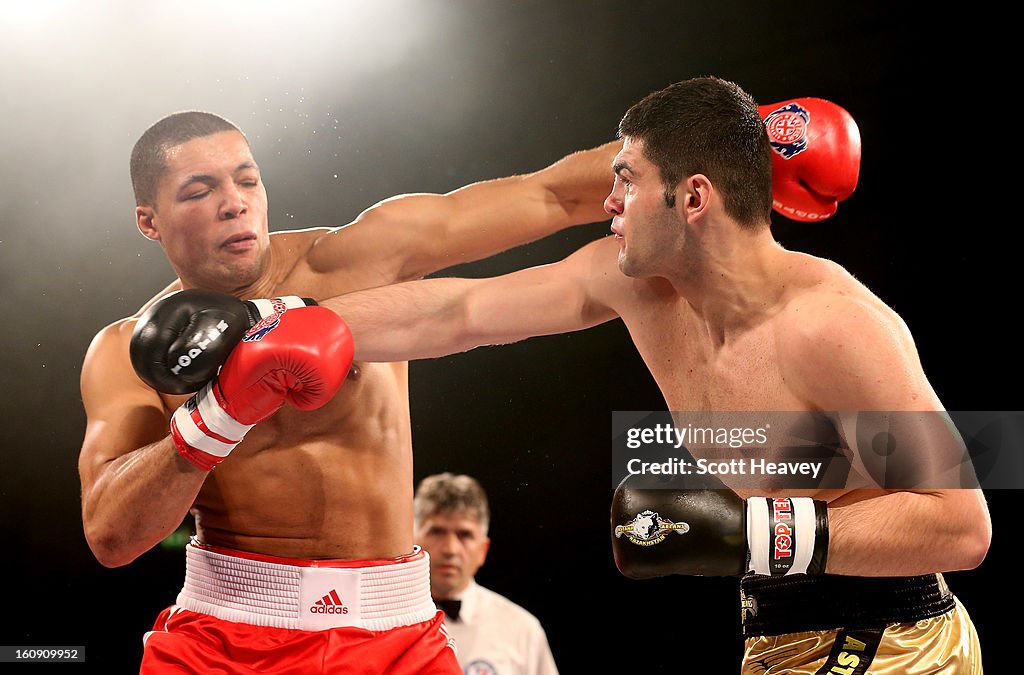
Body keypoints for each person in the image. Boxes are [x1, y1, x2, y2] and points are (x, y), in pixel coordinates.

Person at [315, 77, 991, 673]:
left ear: (693, 197)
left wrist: (746, 532)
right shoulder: (636, 287)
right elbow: (459, 311)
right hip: (777, 636)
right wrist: (281, 318)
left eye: (628, 179)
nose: (608, 199)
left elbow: (962, 527)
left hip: (899, 643)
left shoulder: (833, 327)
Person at [76, 109, 619, 673]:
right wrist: (218, 416)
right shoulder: (126, 352)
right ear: (150, 220)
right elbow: (111, 537)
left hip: (399, 638)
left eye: (247, 179)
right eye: (199, 191)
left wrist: (690, 152)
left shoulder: (356, 261)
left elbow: (553, 195)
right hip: (225, 641)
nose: (235, 203)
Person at [413, 473, 559, 675]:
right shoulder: (383, 620)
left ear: (483, 550)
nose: (450, 549)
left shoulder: (522, 630)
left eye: (464, 534)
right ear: (413, 542)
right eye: (437, 532)